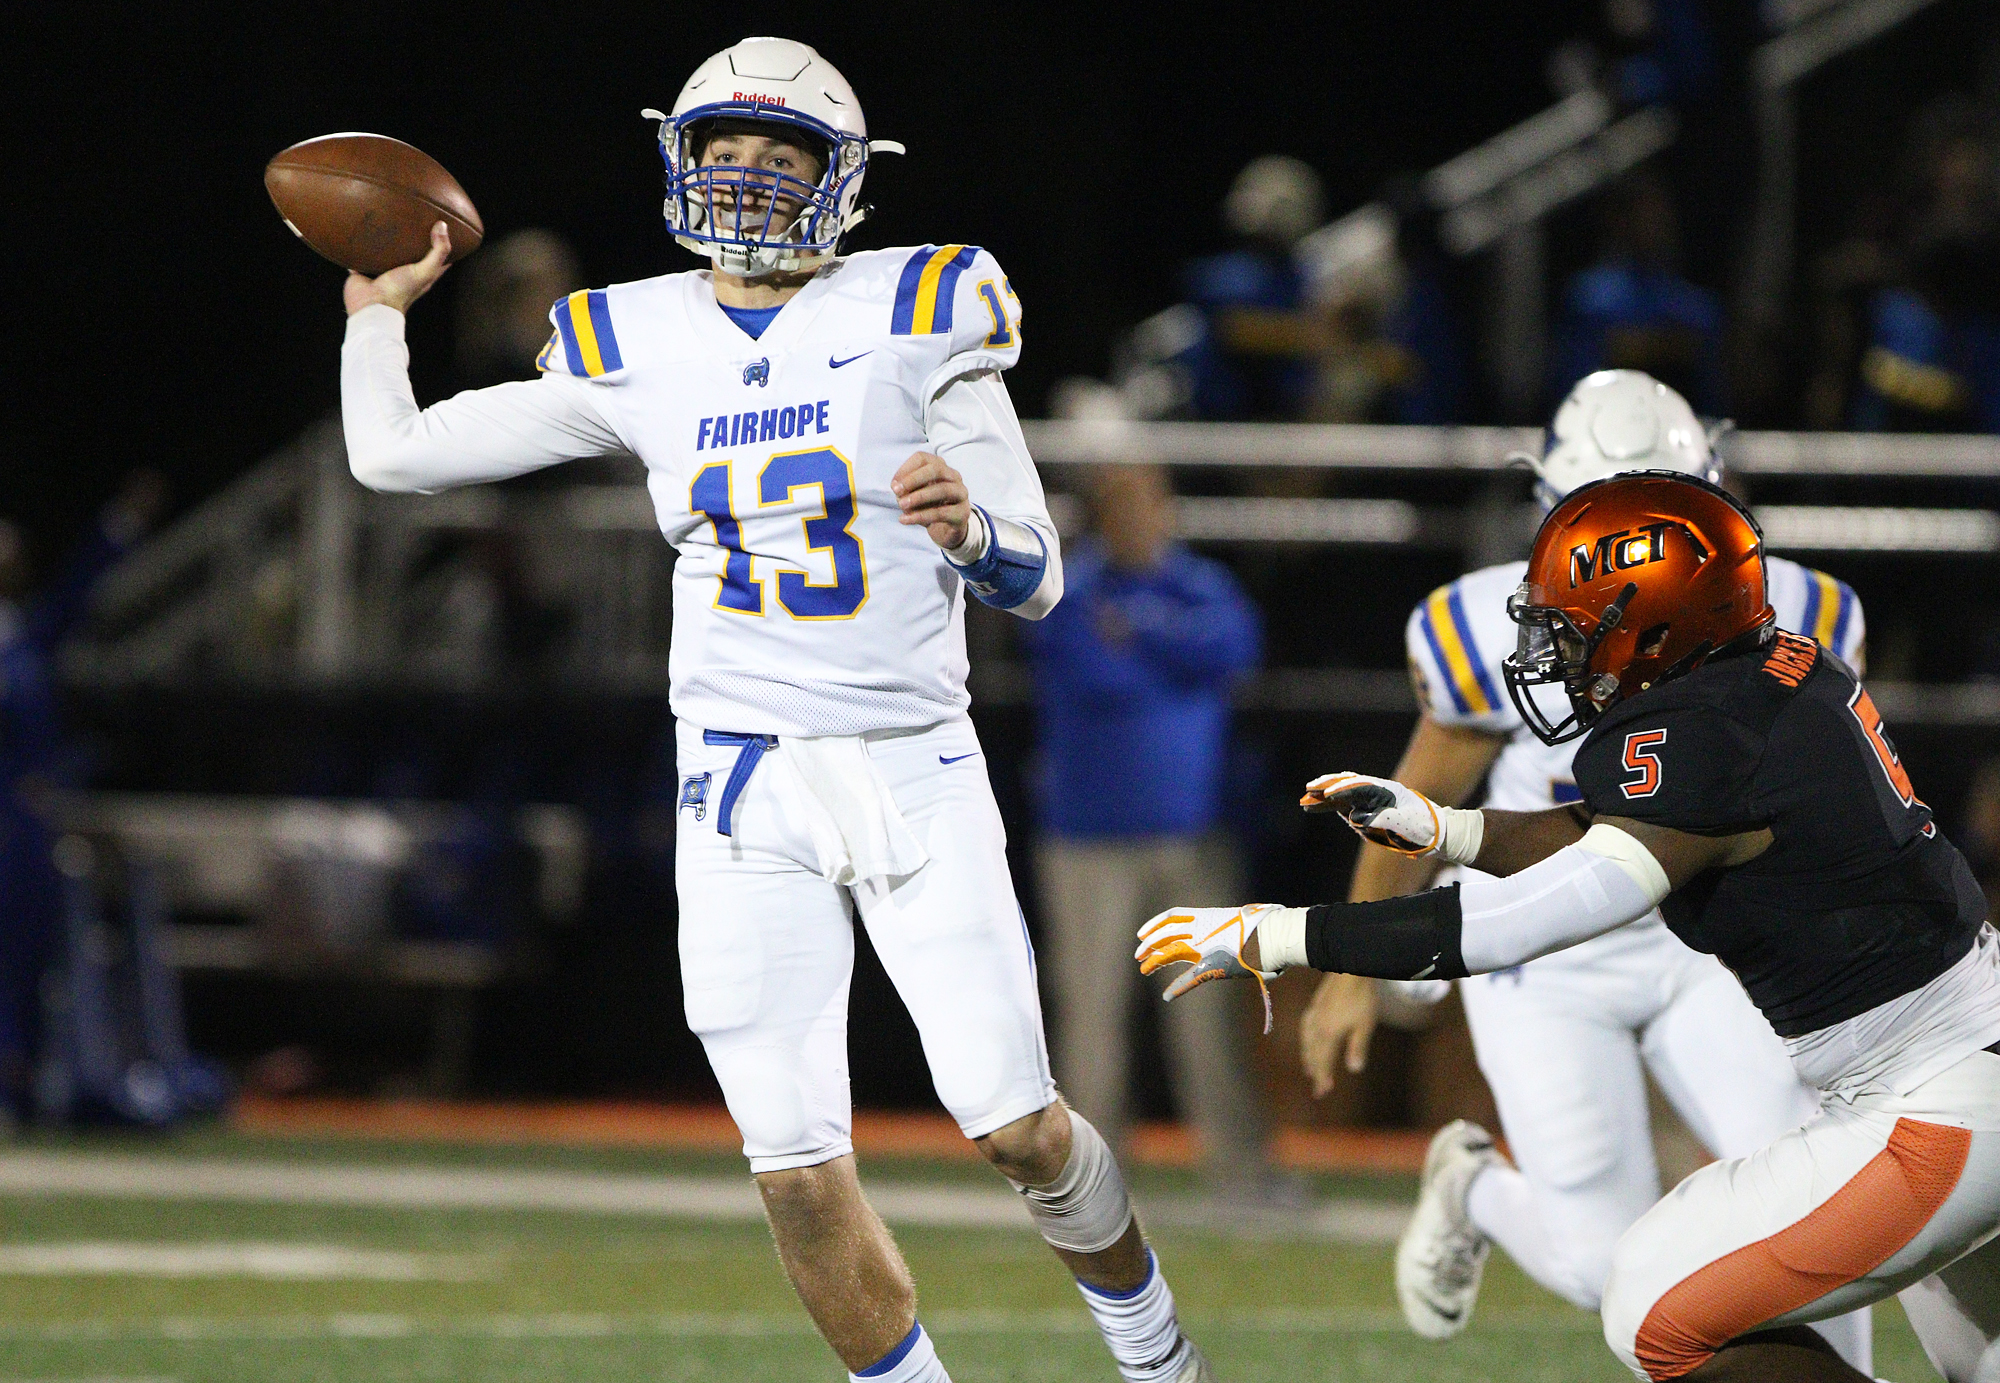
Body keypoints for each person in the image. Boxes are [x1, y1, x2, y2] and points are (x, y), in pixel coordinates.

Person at [336, 37, 1212, 1383]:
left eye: (778, 154)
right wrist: (376, 313)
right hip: (740, 780)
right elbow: (394, 454)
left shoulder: (924, 302)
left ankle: (1157, 1354)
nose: (744, 181)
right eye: (722, 153)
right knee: (797, 1170)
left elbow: (1035, 576)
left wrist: (973, 527)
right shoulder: (630, 334)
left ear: (843, 179)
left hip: (911, 761)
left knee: (1020, 1127)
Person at [1139, 470, 2000, 1383]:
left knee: (1652, 1303)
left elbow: (1507, 928)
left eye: (1575, 628)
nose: (1557, 654)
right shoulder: (1777, 669)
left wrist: (1279, 935)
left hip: (1933, 1100)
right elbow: (1612, 829)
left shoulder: (1709, 741)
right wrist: (1449, 828)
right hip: (1958, 1059)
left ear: (1657, 623)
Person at [1290, 370, 1870, 1367]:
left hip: (1710, 944)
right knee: (1600, 1265)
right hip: (1547, 948)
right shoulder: (1487, 625)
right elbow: (1418, 801)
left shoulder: (1803, 609)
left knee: (1815, 1196)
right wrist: (1350, 970)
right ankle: (1473, 1185)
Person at [1023, 462, 1271, 1196]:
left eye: (1146, 502)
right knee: (1091, 1020)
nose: (1136, 517)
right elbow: (1097, 674)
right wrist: (1168, 656)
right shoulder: (1069, 587)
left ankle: (1239, 1173)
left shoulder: (1201, 585)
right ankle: (1086, 1184)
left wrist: (1139, 634)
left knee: (1210, 1020)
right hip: (1086, 841)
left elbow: (1234, 651)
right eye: (1120, 503)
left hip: (1187, 838)